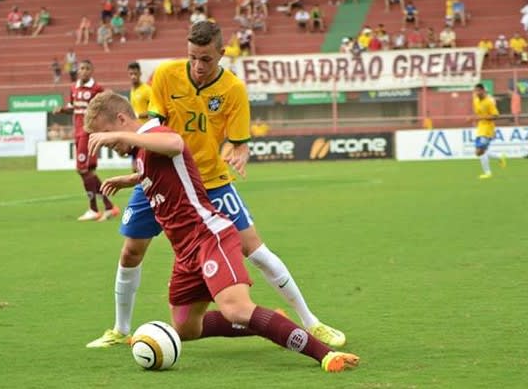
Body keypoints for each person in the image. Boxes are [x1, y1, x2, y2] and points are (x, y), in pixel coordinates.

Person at [86, 20, 347, 350]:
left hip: (211, 181)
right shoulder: (166, 76)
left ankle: (311, 322)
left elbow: (238, 141)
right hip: (163, 181)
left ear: (222, 54)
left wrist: (240, 153)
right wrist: (138, 177)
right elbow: (153, 132)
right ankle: (120, 328)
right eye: (192, 57)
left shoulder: (233, 89)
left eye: (206, 59)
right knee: (130, 252)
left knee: (258, 251)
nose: (197, 66)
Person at [53, 60, 120, 221]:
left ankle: (93, 209)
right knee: (87, 171)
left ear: (91, 71)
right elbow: (73, 107)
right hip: (77, 131)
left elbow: (107, 106)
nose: (84, 71)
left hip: (88, 132)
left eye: (87, 69)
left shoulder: (97, 89)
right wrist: (62, 109)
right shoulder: (73, 87)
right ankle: (109, 207)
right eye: (82, 68)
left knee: (82, 169)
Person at [471, 83, 506, 179]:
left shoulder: (489, 102)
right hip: (480, 128)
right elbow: (478, 114)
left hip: (488, 129)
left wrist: (483, 117)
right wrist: (474, 120)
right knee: (480, 151)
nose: (476, 93)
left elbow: (495, 115)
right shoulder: (475, 101)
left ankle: (488, 173)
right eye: (475, 91)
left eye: (478, 91)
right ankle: (499, 156)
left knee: (480, 151)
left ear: (482, 90)